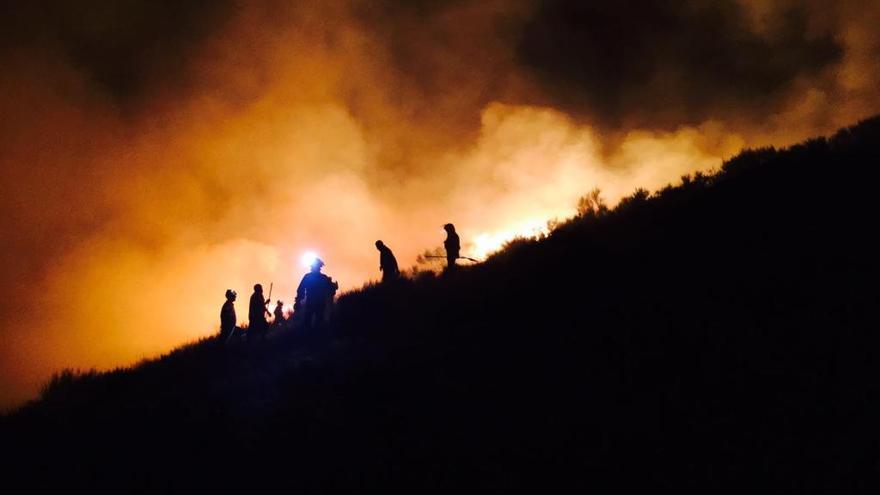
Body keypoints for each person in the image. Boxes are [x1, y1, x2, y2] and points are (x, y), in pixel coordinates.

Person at [295, 258, 339, 330]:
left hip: (312, 301)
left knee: (308, 321)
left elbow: (300, 289)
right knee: (318, 321)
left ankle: (308, 336)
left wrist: (298, 300)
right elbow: (331, 289)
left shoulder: (308, 276)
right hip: (320, 302)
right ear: (320, 267)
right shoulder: (323, 278)